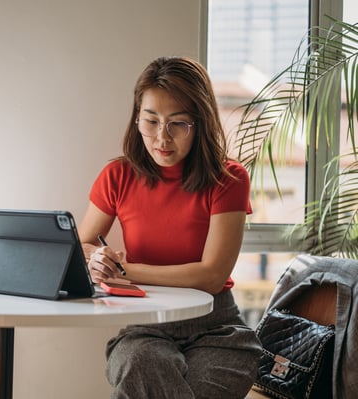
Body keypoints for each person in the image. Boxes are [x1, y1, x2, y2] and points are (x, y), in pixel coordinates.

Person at [78, 56, 262, 398]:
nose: (161, 138)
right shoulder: (117, 176)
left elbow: (211, 276)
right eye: (150, 121)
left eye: (177, 124)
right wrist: (95, 260)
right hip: (144, 328)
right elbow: (79, 246)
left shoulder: (229, 179)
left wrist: (125, 271)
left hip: (217, 329)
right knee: (141, 363)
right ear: (137, 120)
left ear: (200, 123)